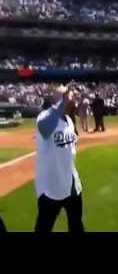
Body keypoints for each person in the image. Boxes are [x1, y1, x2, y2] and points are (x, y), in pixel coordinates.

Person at [34, 84, 84, 233]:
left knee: (76, 226)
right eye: (69, 96)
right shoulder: (44, 118)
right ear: (59, 99)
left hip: (72, 184)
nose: (73, 98)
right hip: (50, 187)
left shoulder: (68, 120)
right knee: (43, 227)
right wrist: (63, 102)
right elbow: (44, 128)